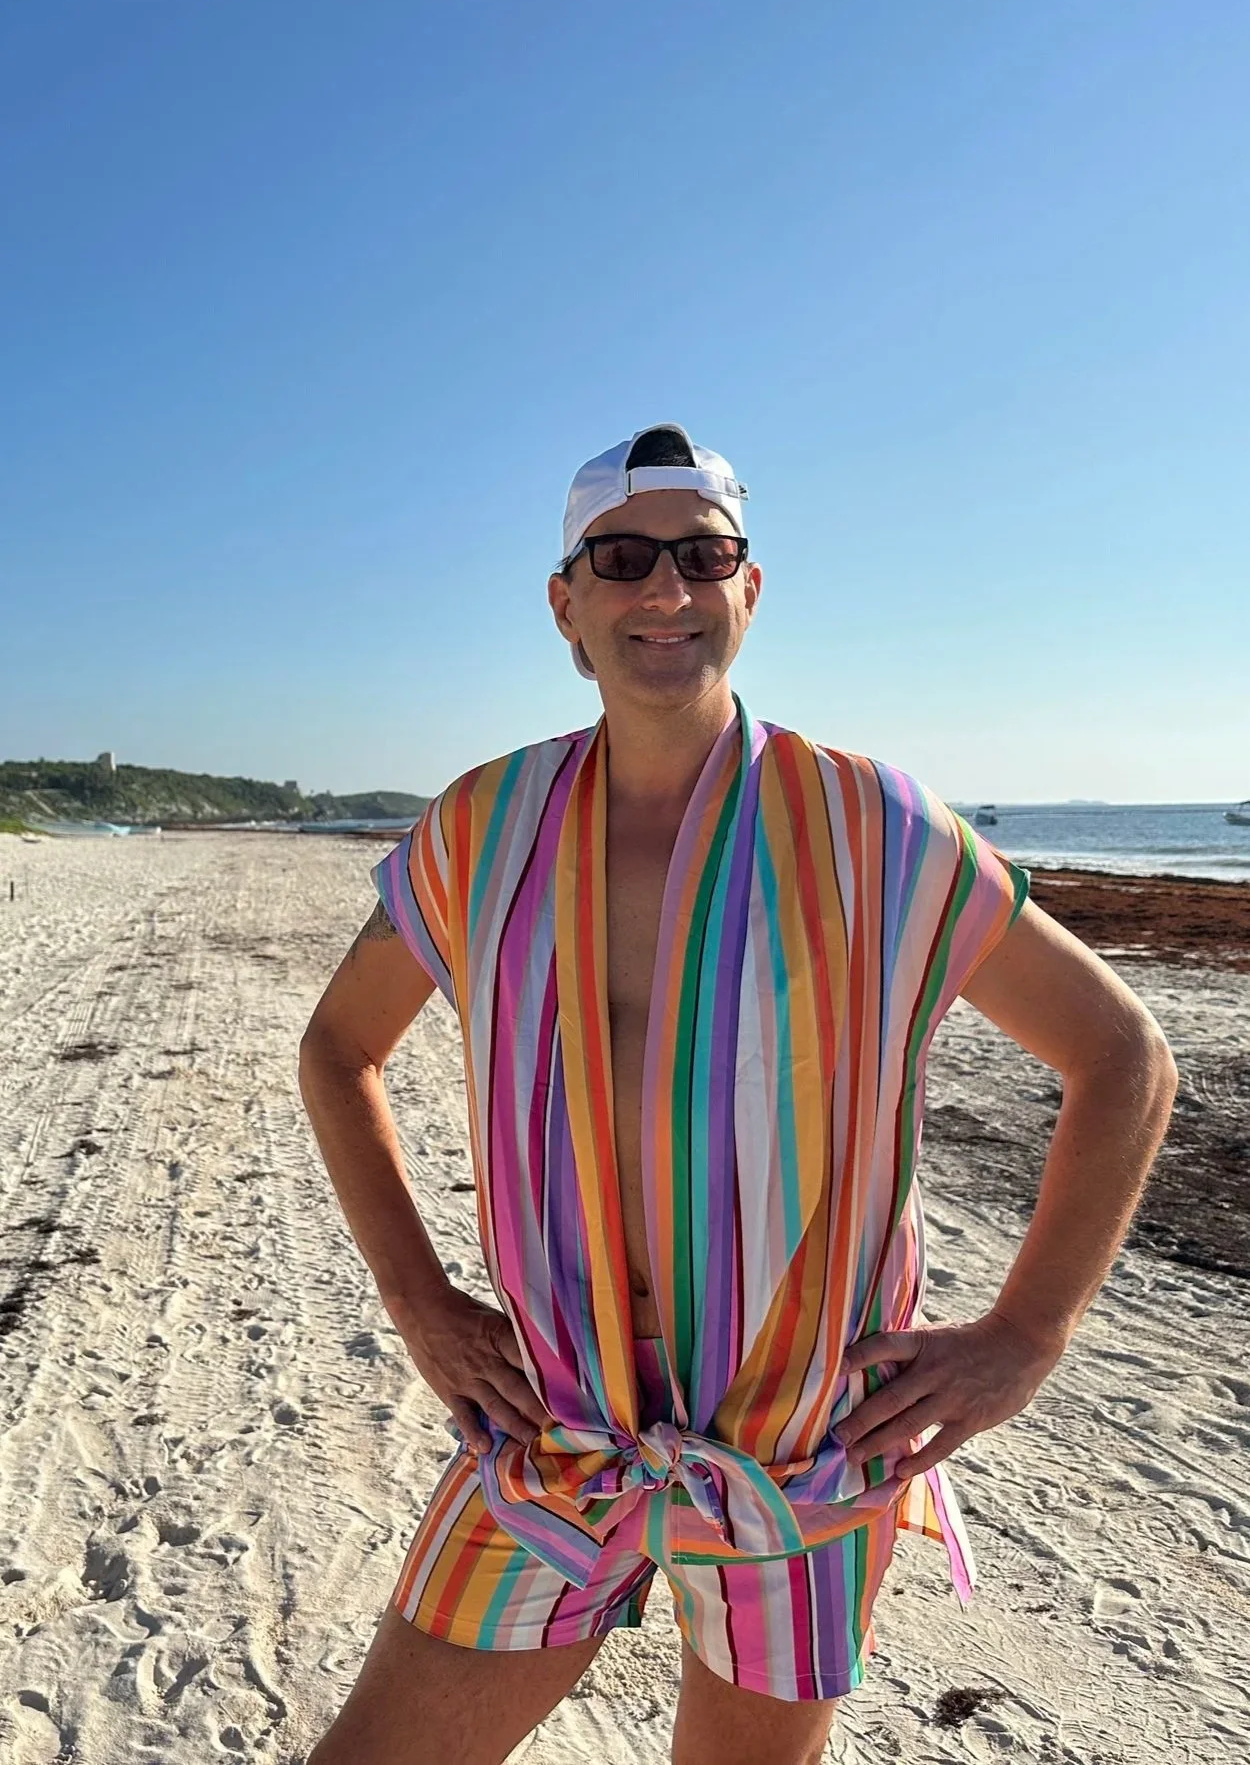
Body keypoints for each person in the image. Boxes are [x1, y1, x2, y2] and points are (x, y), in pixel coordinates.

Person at [298, 423, 1177, 1765]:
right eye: (624, 556)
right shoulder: (481, 829)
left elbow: (1123, 1058)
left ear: (747, 592)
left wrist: (1025, 1333)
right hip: (553, 1425)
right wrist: (419, 1302)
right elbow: (335, 1050)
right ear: (566, 603)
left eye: (704, 556)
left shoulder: (871, 830)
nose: (666, 590)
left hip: (808, 1451)